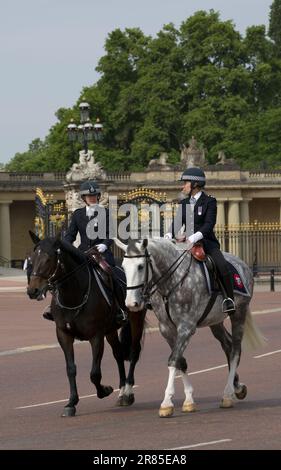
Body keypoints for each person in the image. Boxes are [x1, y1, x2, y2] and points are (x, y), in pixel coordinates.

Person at [43, 180, 127, 325]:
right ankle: (53, 307)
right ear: (84, 198)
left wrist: (104, 245)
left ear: (98, 197)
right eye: (89, 196)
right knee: (62, 274)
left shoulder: (106, 213)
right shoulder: (77, 214)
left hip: (101, 253)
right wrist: (64, 246)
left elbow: (110, 234)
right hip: (82, 254)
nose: (92, 198)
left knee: (110, 273)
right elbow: (70, 234)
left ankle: (119, 309)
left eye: (94, 196)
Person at [165, 167, 235, 314]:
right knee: (165, 261)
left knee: (222, 265)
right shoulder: (184, 203)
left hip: (207, 243)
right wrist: (167, 237)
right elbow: (177, 223)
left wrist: (192, 237)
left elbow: (209, 225)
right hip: (186, 243)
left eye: (185, 182)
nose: (182, 186)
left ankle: (229, 298)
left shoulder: (210, 201)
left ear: (195, 184)